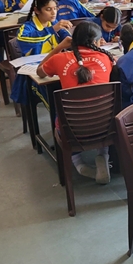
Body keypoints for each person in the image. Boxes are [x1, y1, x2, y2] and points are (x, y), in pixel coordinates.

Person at [38, 22, 116, 184]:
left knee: (59, 114)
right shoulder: (107, 58)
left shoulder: (60, 59)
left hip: (72, 130)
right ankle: (103, 155)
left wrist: (59, 47)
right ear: (96, 42)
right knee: (100, 107)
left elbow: (40, 71)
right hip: (106, 126)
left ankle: (79, 164)